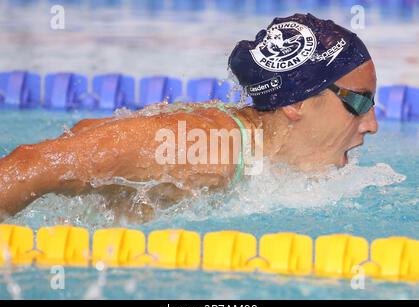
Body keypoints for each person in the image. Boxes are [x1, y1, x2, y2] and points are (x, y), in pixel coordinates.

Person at [0, 13, 378, 221]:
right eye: (360, 103)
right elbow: (31, 163)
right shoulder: (202, 152)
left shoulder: (248, 149)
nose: (372, 123)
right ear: (297, 102)